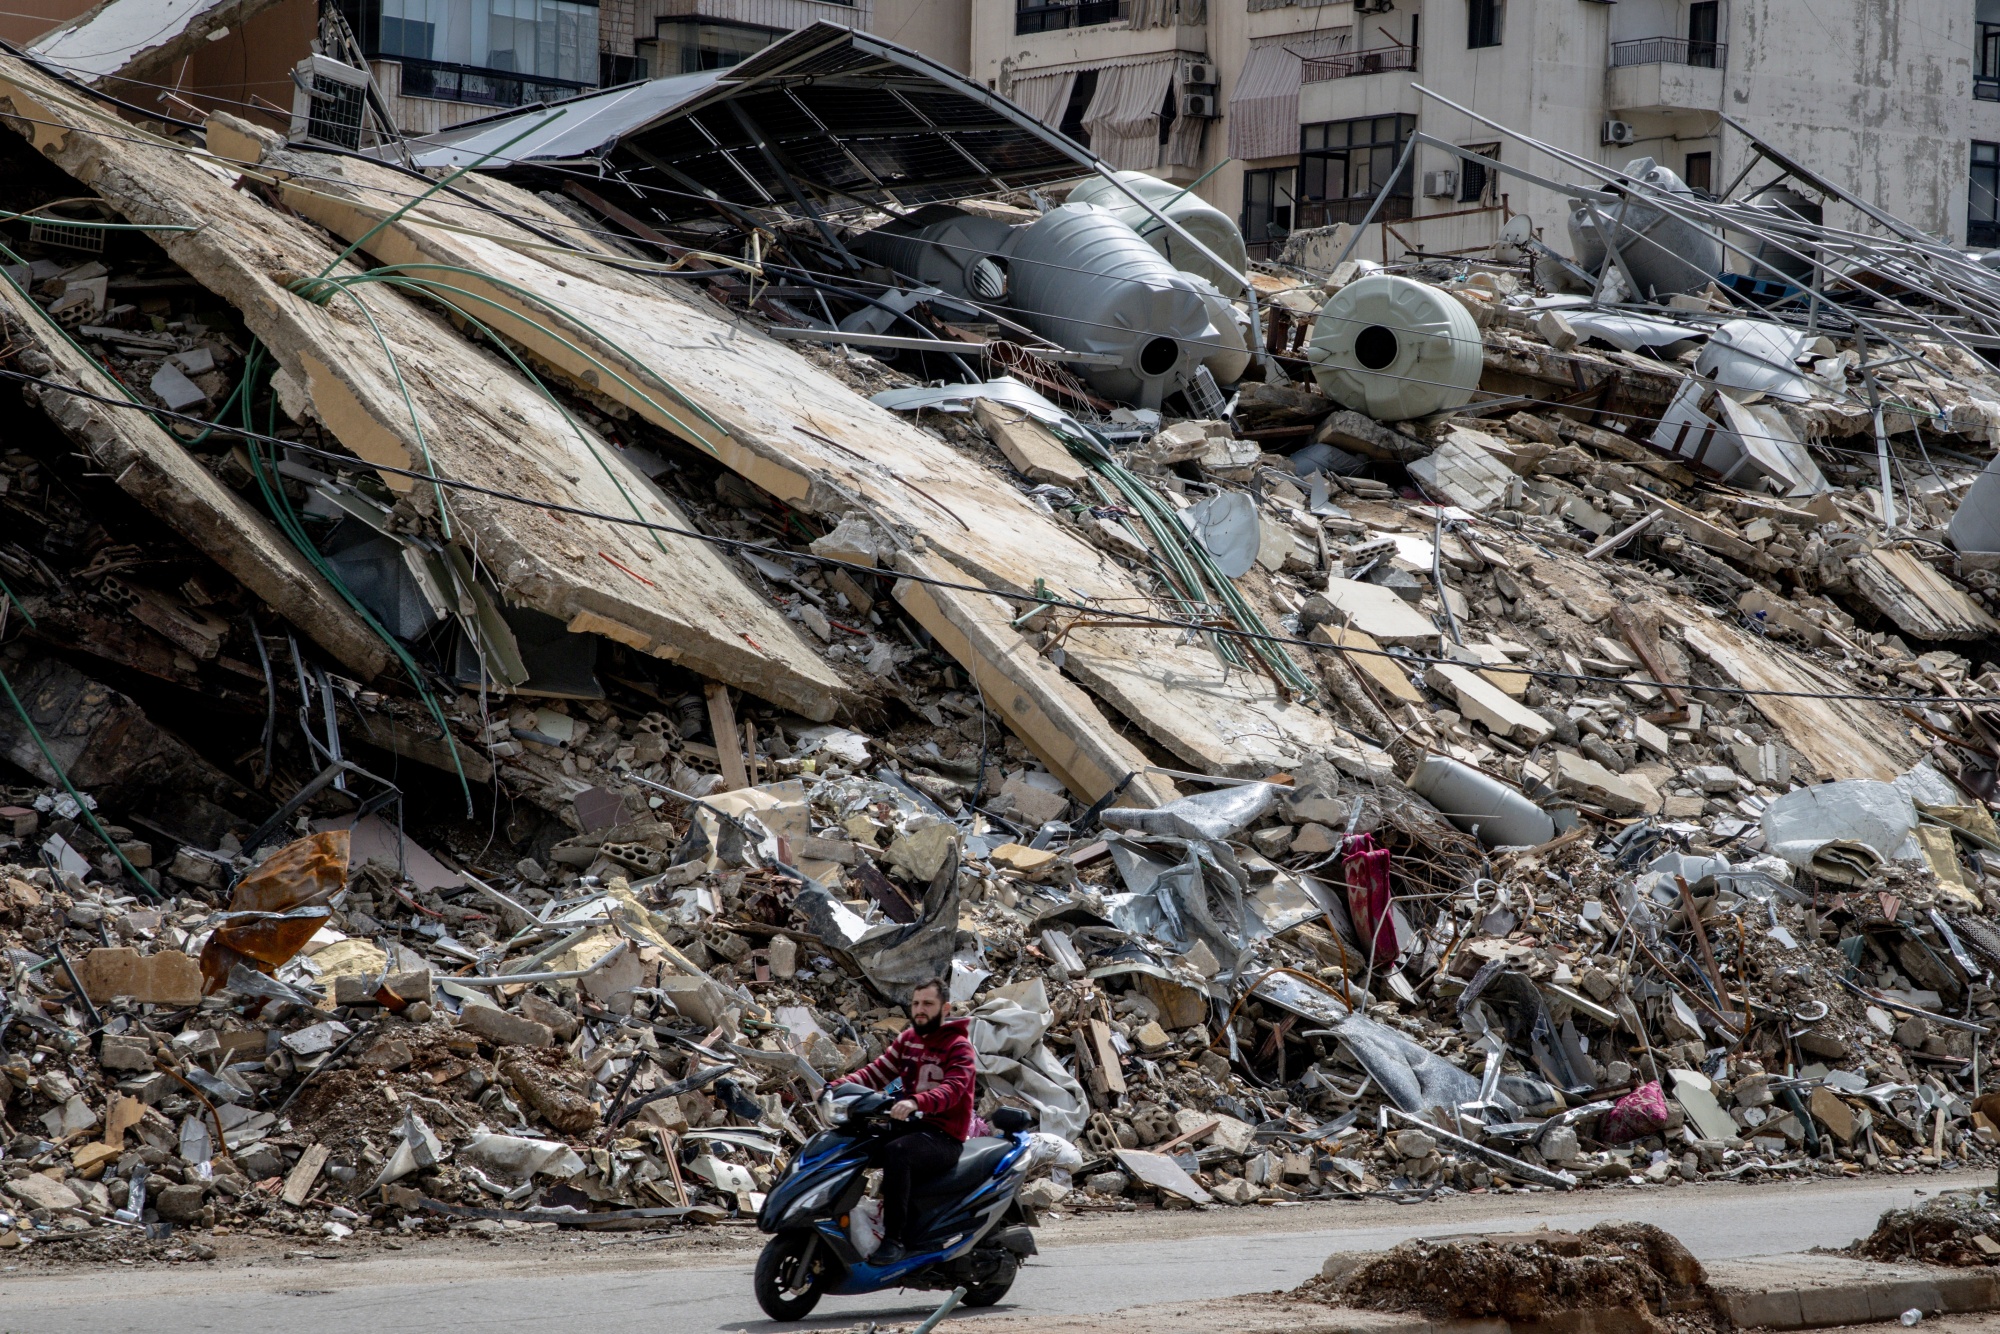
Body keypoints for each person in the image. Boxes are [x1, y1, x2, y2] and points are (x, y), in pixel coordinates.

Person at [834, 976, 975, 1264]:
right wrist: (838, 1086)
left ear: (945, 1008)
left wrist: (915, 1101)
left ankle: (894, 1239)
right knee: (852, 1141)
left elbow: (954, 1089)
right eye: (915, 1003)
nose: (920, 1009)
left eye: (928, 1004)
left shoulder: (959, 1047)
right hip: (909, 1125)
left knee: (897, 1153)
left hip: (943, 1137)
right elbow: (876, 1072)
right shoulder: (908, 1040)